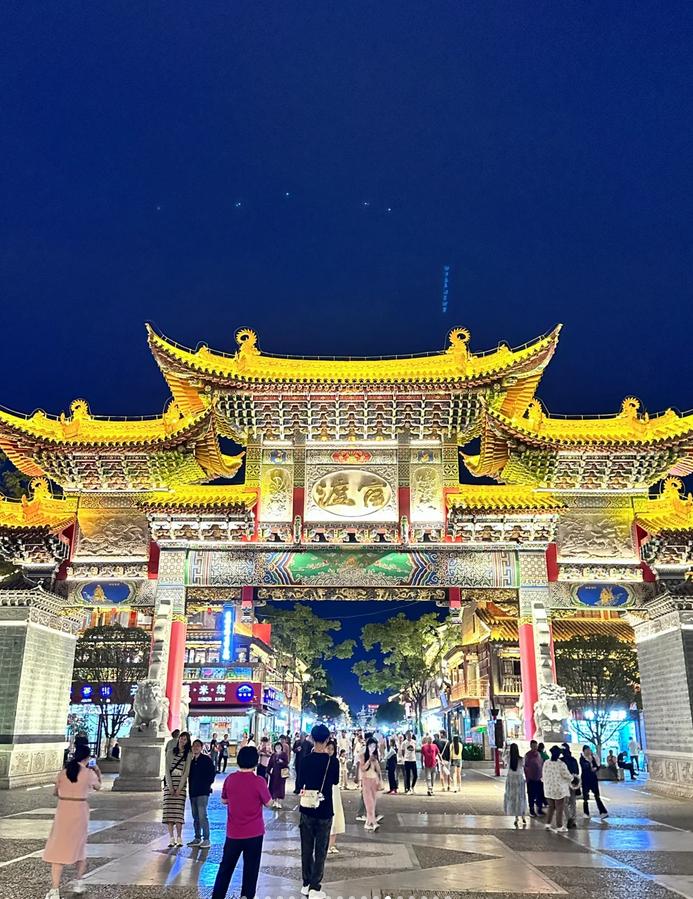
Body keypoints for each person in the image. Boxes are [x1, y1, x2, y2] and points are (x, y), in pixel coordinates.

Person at [211, 746, 272, 899]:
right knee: (251, 868)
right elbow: (269, 803)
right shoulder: (259, 781)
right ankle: (246, 896)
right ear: (255, 762)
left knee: (226, 867)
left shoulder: (230, 779)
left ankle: (218, 895)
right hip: (254, 833)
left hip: (234, 833)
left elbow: (224, 800)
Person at [43, 745, 102, 899]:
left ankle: (54, 890)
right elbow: (98, 787)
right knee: (79, 846)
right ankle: (79, 882)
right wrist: (97, 772)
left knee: (58, 847)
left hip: (63, 810)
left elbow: (55, 792)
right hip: (80, 810)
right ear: (87, 758)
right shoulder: (88, 773)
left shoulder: (63, 773)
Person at [297, 723, 340, 899]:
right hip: (325, 809)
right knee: (321, 849)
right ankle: (315, 886)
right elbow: (335, 781)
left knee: (306, 848)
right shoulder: (333, 761)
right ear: (328, 739)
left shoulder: (305, 760)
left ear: (312, 738)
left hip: (307, 808)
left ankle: (306, 883)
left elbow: (299, 784)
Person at [163, 731, 192, 847]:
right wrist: (170, 787)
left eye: (185, 739)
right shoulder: (170, 752)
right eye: (181, 738)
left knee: (178, 814)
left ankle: (179, 837)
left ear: (187, 741)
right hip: (170, 784)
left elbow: (186, 772)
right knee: (169, 814)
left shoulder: (188, 754)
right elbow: (166, 770)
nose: (182, 741)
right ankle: (171, 838)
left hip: (181, 785)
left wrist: (180, 788)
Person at [187, 739, 216, 848]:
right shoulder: (190, 761)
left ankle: (206, 839)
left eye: (198, 746)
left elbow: (212, 774)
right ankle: (197, 837)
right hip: (193, 792)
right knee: (195, 816)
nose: (195, 748)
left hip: (203, 792)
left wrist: (207, 784)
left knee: (202, 815)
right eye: (194, 746)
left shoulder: (206, 760)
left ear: (201, 747)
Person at [543, 745, 573, 832]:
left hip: (548, 788)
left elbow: (543, 774)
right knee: (559, 808)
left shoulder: (546, 763)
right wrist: (572, 778)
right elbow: (566, 775)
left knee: (551, 807)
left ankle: (548, 824)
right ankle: (559, 826)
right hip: (559, 789)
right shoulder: (561, 764)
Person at [326, 739, 345, 854]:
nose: (330, 751)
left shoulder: (335, 761)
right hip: (325, 790)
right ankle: (327, 844)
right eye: (328, 748)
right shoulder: (322, 760)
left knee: (335, 814)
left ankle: (332, 844)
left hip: (333, 790)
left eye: (332, 749)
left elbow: (336, 780)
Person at [580, 746, 608, 820]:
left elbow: (597, 766)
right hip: (585, 779)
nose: (588, 751)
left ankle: (603, 812)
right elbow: (584, 766)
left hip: (593, 778)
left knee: (597, 796)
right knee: (585, 797)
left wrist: (596, 768)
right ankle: (586, 813)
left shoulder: (593, 757)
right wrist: (590, 766)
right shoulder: (582, 758)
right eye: (587, 750)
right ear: (584, 751)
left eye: (589, 750)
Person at [502, 743, 526, 827]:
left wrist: (505, 749)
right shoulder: (521, 759)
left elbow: (503, 757)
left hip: (511, 779)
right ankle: (522, 815)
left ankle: (516, 817)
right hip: (519, 779)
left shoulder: (508, 758)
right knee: (520, 797)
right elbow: (524, 766)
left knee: (512, 797)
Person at [361, 738, 383, 830]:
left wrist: (380, 782)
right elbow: (362, 768)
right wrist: (369, 760)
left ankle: (368, 823)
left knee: (373, 803)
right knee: (369, 802)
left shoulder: (375, 757)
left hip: (374, 781)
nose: (372, 748)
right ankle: (374, 823)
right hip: (366, 781)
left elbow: (378, 770)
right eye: (370, 746)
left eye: (374, 746)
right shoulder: (363, 755)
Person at [560, 744, 580, 829]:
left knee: (565, 803)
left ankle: (569, 819)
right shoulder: (573, 760)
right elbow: (577, 772)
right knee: (573, 802)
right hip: (573, 784)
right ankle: (573, 819)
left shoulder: (560, 761)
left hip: (564, 783)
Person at [524, 740, 544, 817]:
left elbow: (541, 764)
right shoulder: (528, 755)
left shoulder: (539, 754)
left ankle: (539, 809)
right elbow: (525, 767)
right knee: (531, 795)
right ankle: (531, 810)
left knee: (539, 794)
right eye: (533, 746)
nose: (535, 747)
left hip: (539, 778)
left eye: (536, 746)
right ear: (531, 746)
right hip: (531, 779)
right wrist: (528, 777)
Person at [267, 740, 290, 808]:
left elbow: (286, 763)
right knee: (273, 786)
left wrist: (282, 762)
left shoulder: (284, 754)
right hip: (274, 773)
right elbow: (270, 764)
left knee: (280, 787)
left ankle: (279, 802)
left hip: (281, 774)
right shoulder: (273, 755)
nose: (278, 748)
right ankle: (274, 801)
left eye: (279, 746)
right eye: (276, 746)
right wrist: (268, 771)